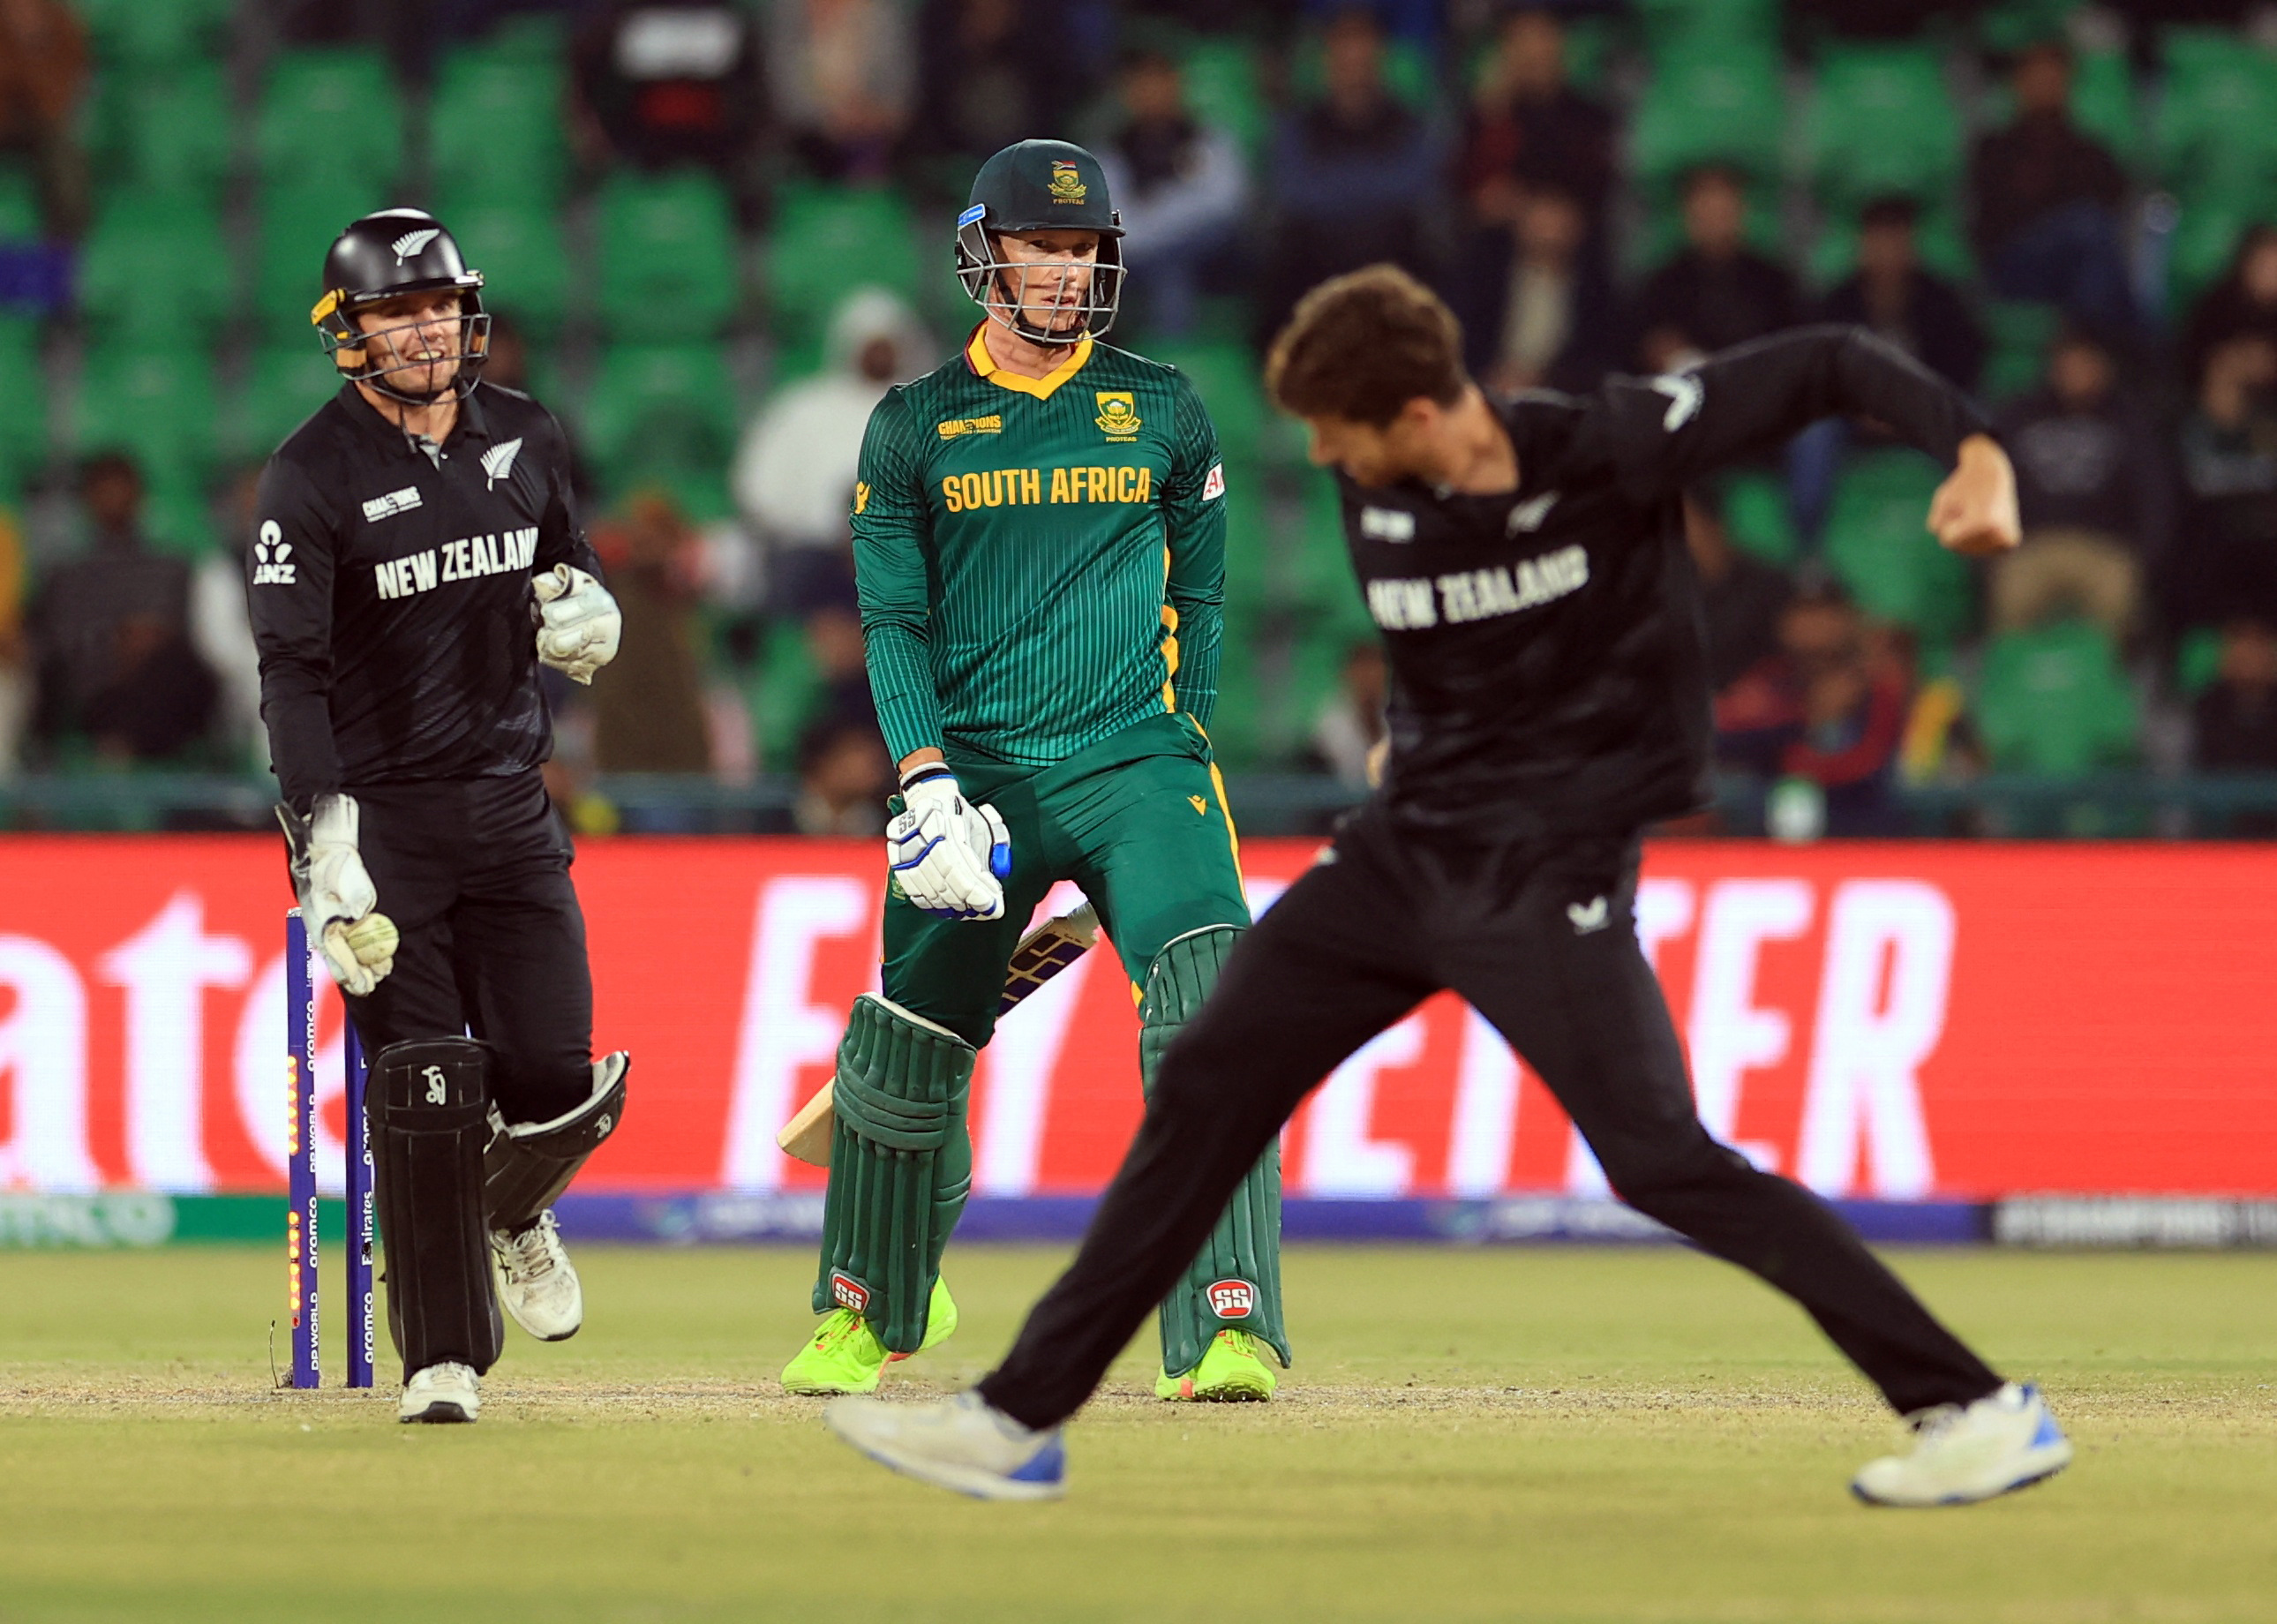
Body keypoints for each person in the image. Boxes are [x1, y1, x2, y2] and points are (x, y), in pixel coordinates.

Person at [823, 269, 2075, 1510]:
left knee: (1662, 1163)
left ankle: (1976, 1409)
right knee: (1210, 1076)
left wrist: (1973, 449)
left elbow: (1827, 365)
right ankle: (1017, 1420)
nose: (1318, 458)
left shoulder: (1606, 447)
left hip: (1546, 874)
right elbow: (1459, 675)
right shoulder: (1373, 493)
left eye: (1337, 432)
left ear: (1418, 419)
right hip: (1407, 853)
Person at [776, 139, 1288, 1406]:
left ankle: (1228, 1319)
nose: (1067, 270)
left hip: (1135, 759)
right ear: (985, 254)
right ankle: (871, 1310)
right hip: (979, 777)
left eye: (1085, 248)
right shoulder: (911, 427)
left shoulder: (1164, 404)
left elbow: (1206, 603)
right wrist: (924, 783)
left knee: (1210, 1000)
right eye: (1043, 246)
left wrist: (1183, 755)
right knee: (907, 1045)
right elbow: (893, 626)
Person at [249, 208, 629, 1425]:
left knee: (556, 1076)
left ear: (469, 314)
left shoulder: (526, 434)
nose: (422, 331)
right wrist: (322, 835)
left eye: (437, 307)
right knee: (420, 1089)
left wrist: (584, 614)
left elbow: (562, 573)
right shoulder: (310, 475)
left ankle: (516, 1208)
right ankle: (440, 1359)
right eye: (392, 313)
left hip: (510, 803)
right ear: (349, 337)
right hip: (383, 824)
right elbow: (291, 675)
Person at [732, 288, 931, 615]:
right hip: (816, 554)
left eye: (888, 344)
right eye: (871, 343)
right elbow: (757, 490)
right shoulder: (805, 406)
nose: (880, 353)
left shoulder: (929, 408)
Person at [1255, 6, 1440, 349]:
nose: (1353, 57)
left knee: (1424, 248)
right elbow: (1295, 192)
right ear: (1327, 56)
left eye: (1362, 43)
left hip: (1390, 251)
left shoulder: (1410, 124)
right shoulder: (1298, 128)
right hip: (1317, 255)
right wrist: (1371, 184)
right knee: (1282, 254)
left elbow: (1414, 186)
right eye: (1343, 44)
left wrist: (1337, 184)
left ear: (1379, 54)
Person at [1992, 326, 2169, 643]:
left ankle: (2110, 688)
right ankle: (2013, 685)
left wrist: (2143, 555)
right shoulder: (2018, 417)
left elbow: (2154, 496)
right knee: (2012, 592)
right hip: (2035, 544)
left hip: (2104, 546)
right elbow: (1988, 487)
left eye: (2086, 363)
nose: (2077, 373)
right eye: (2068, 364)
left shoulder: (2131, 420)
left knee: (2118, 596)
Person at [1968, 39, 2132, 329]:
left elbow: (2114, 204)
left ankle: (2092, 345)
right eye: (2037, 77)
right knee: (2086, 226)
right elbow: (1993, 223)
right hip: (2014, 267)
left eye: (2054, 77)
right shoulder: (1995, 149)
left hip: (2075, 266)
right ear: (2018, 84)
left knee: (2092, 239)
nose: (2046, 85)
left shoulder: (2089, 149)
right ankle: (2102, 339)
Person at [1096, 49, 1248, 339]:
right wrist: (1178, 207)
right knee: (1160, 268)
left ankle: (1181, 359)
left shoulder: (1211, 141)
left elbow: (1225, 205)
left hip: (1211, 254)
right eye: (1144, 85)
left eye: (1161, 83)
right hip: (1135, 260)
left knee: (1175, 264)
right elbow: (1115, 224)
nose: (1153, 94)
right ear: (1128, 92)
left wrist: (1155, 210)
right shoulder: (1108, 154)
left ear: (1177, 86)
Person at [1628, 165, 1799, 374]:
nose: (1714, 215)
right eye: (1704, 206)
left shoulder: (1775, 283)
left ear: (1741, 208)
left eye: (1723, 207)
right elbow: (1645, 351)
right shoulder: (1661, 286)